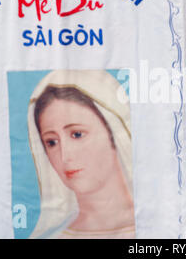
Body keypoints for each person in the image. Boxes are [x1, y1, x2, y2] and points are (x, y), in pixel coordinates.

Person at [27, 70, 135, 239]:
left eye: (77, 134)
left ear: (113, 132)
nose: (65, 156)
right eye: (52, 142)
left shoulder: (159, 225)